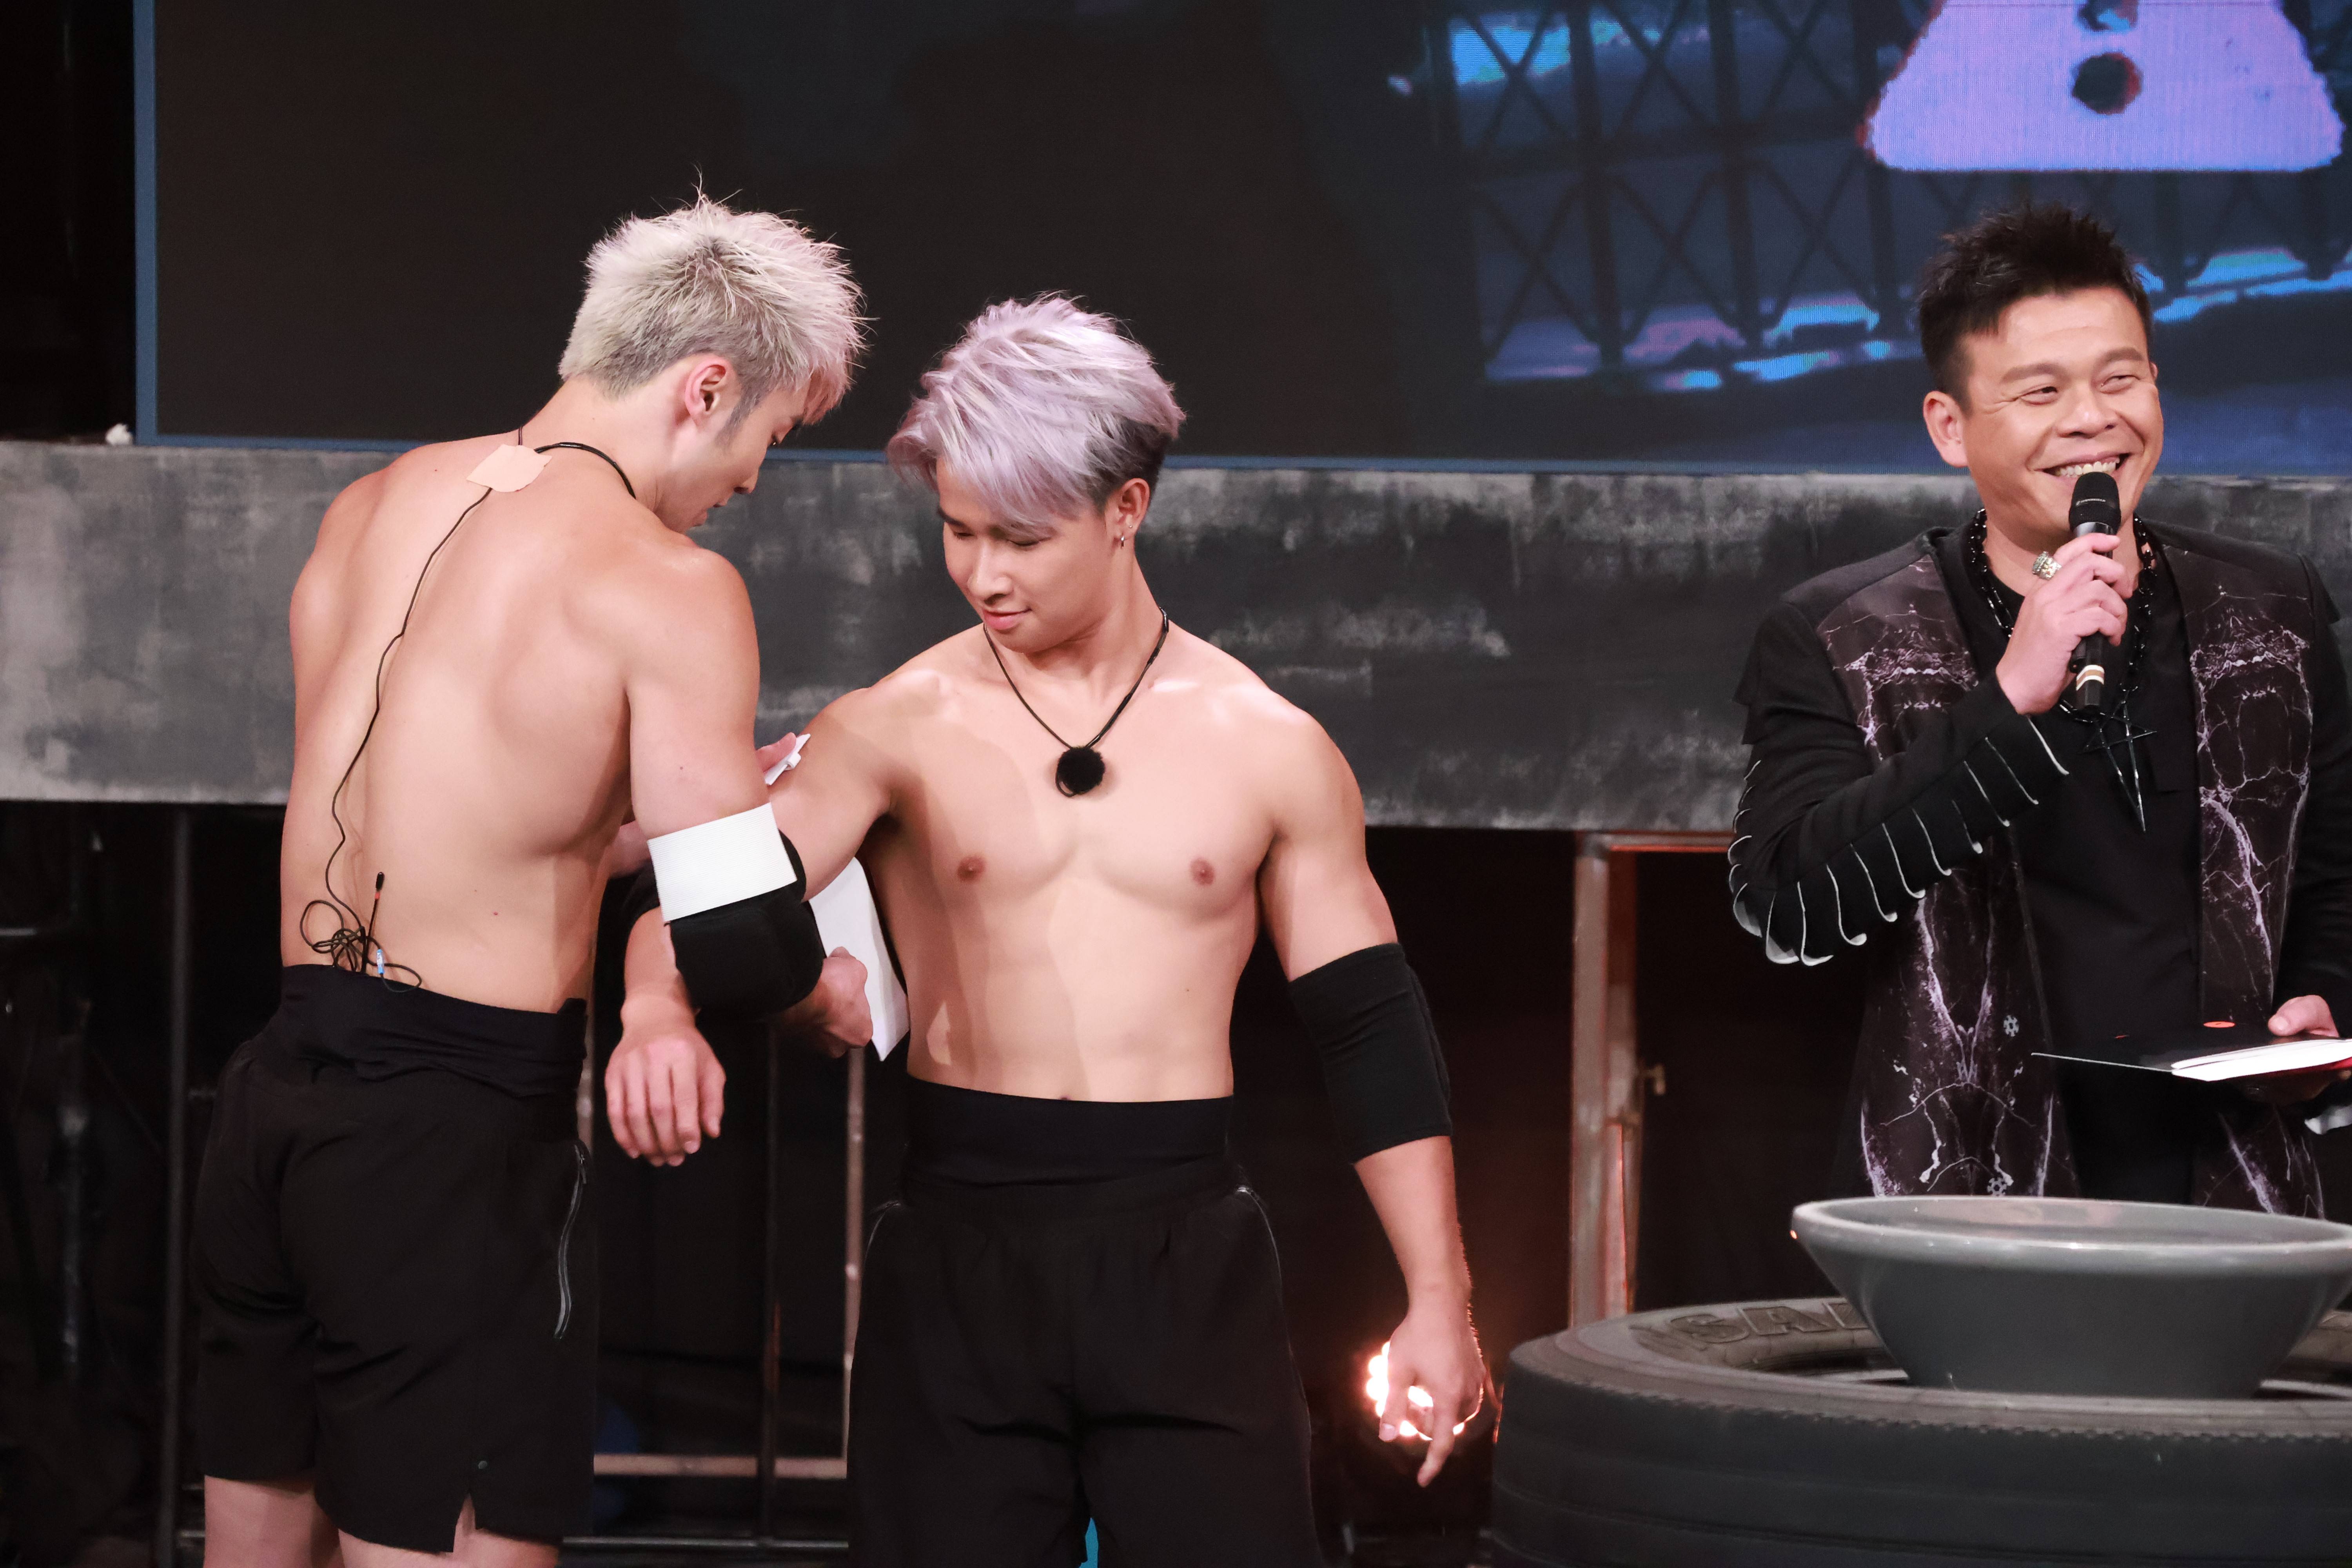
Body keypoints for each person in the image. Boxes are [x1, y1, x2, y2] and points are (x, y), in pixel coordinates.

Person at [605, 297, 1485, 1566]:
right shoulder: (893, 725)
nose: (984, 576)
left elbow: (1370, 1031)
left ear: (1127, 509)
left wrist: (1441, 1298)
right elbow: (713, 896)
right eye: (958, 531)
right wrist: (655, 1009)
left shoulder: (1270, 747)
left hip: (1184, 1252)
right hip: (962, 1247)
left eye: (1021, 539)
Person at [191, 196, 872, 1568]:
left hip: (278, 1101)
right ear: (705, 388)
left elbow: (456, 817)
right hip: (449, 1144)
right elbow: (737, 943)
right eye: (770, 436)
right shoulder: (667, 585)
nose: (752, 481)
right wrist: (833, 993)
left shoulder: (376, 505)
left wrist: (663, 818)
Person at [1729, 203, 2352, 1212]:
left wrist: (2326, 995)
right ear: (1950, 426)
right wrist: (2012, 698)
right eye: (2042, 391)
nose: (2094, 419)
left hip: (2236, 1201)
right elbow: (1791, 904)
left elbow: (2336, 870)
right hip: (1967, 1209)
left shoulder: (2273, 608)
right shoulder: (1842, 633)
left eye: (2121, 378)